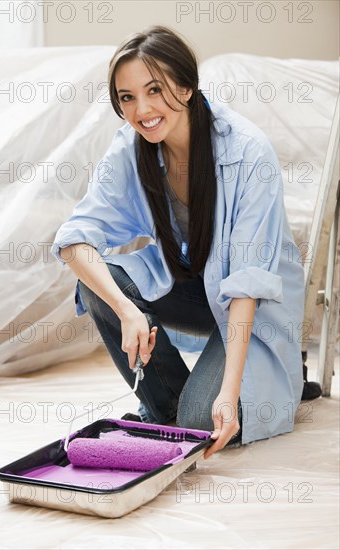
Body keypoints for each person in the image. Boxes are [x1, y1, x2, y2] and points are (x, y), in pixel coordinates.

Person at [51, 25, 305, 459]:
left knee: (204, 420)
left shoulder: (247, 152)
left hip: (251, 305)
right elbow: (75, 240)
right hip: (192, 288)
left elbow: (246, 283)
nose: (142, 109)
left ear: (186, 87)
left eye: (155, 90)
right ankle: (165, 405)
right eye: (127, 97)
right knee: (97, 282)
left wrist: (228, 394)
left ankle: (267, 377)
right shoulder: (131, 149)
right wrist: (127, 310)